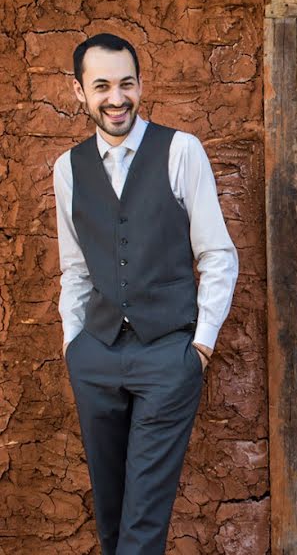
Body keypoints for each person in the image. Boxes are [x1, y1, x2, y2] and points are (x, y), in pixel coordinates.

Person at [53, 33, 239, 554]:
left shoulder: (181, 151)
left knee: (142, 528)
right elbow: (75, 268)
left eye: (127, 84)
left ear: (141, 85)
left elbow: (218, 255)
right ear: (79, 92)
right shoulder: (67, 170)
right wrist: (74, 344)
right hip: (96, 356)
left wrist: (199, 346)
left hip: (168, 358)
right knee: (111, 524)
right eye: (103, 86)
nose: (117, 98)